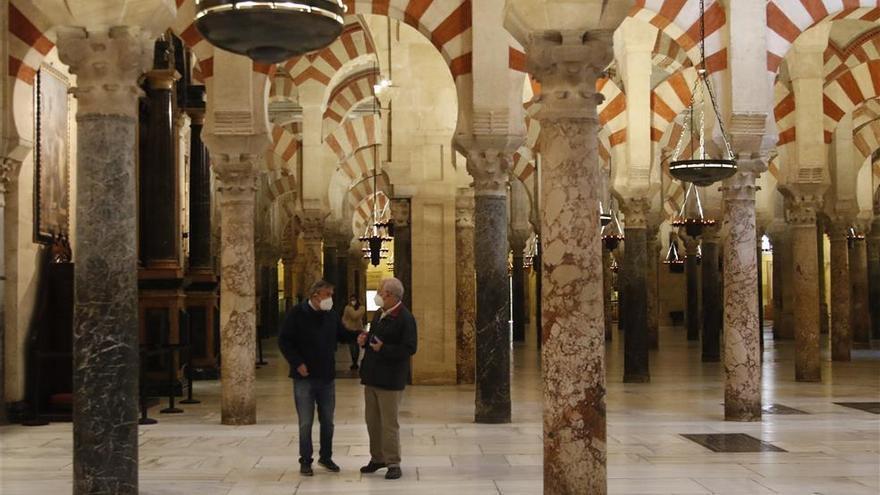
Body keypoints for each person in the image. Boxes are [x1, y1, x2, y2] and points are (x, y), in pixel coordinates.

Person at [278, 280, 363, 476]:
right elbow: (284, 341)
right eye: (327, 295)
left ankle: (326, 456)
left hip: (326, 376)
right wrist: (297, 363)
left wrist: (358, 335)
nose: (330, 299)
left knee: (328, 421)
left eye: (331, 295)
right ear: (315, 295)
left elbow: (342, 334)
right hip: (304, 377)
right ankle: (305, 460)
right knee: (305, 422)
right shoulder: (297, 314)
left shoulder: (330, 315)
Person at [357, 277, 418, 480]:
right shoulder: (379, 314)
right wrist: (365, 341)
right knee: (372, 421)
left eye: (381, 292)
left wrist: (384, 349)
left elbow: (410, 348)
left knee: (389, 423)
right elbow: (374, 339)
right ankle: (377, 458)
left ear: (390, 295)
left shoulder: (405, 318)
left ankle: (393, 462)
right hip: (372, 376)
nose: (378, 295)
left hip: (390, 379)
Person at [342, 295, 366, 370]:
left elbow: (355, 316)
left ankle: (355, 362)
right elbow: (350, 316)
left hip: (358, 329)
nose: (353, 301)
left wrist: (361, 308)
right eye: (351, 299)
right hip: (350, 329)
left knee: (356, 346)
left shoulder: (361, 308)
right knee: (351, 346)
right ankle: (353, 361)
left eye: (354, 299)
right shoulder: (348, 308)